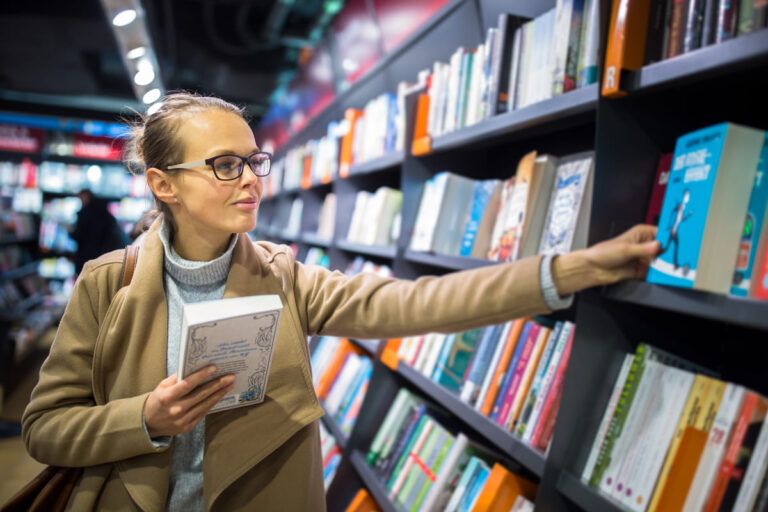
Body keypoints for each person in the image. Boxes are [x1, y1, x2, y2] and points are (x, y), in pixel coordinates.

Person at [22, 92, 660, 511]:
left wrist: (567, 270)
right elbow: (46, 429)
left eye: (254, 161)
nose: (249, 179)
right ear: (164, 185)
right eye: (224, 164)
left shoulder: (286, 278)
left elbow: (418, 305)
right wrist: (145, 420)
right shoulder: (107, 284)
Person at [71, 189, 124, 274]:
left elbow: (79, 235)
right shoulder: (105, 213)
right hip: (102, 257)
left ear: (86, 197)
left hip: (86, 256)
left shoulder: (85, 214)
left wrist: (71, 232)